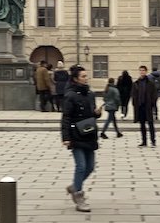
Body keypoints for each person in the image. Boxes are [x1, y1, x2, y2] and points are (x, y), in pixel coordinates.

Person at [61, 65, 101, 213]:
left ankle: (74, 186)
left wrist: (96, 113)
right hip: (76, 134)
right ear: (76, 79)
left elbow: (91, 113)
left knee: (90, 167)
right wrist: (65, 137)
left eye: (86, 76)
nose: (86, 78)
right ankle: (78, 196)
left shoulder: (90, 94)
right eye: (83, 76)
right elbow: (66, 117)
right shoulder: (70, 95)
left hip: (89, 133)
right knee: (81, 166)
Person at [132, 65, 158, 147]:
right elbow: (133, 94)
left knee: (150, 123)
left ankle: (153, 140)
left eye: (143, 70)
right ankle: (144, 141)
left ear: (146, 71)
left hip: (148, 106)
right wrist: (135, 103)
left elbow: (154, 94)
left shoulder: (150, 83)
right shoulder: (136, 83)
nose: (142, 72)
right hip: (140, 106)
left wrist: (152, 103)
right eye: (140, 70)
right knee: (142, 124)